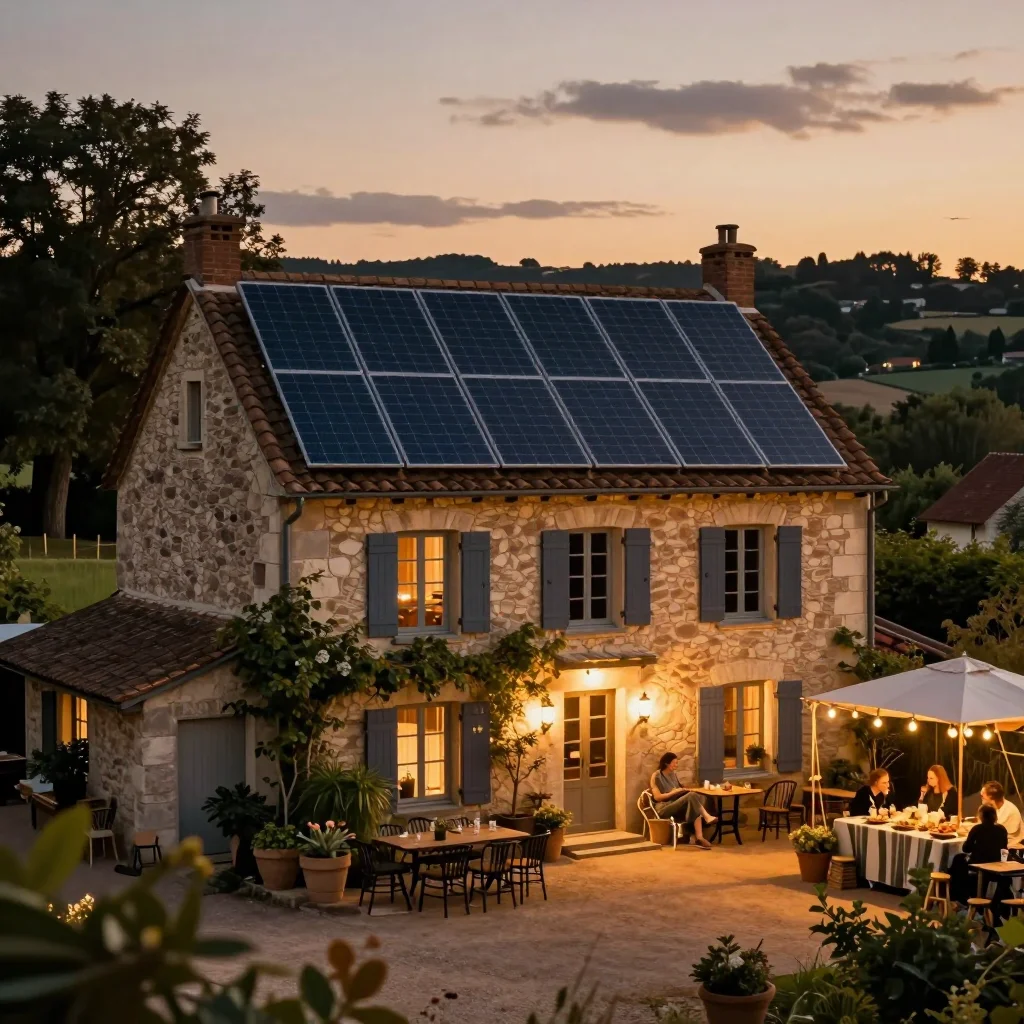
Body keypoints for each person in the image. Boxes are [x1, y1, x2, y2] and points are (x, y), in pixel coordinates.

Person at [650, 752, 718, 850]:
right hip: (664, 807)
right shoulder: (656, 776)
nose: (676, 765)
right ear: (667, 763)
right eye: (675, 763)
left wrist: (683, 790)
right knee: (692, 797)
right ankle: (704, 822)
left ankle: (697, 836)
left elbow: (678, 788)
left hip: (676, 803)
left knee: (700, 797)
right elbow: (657, 797)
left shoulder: (673, 775)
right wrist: (674, 792)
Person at [949, 804, 1010, 909]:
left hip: (979, 862)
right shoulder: (1002, 829)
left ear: (981, 816)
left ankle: (959, 896)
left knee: (958, 859)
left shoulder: (977, 828)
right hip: (997, 861)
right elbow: (1004, 847)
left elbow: (966, 848)